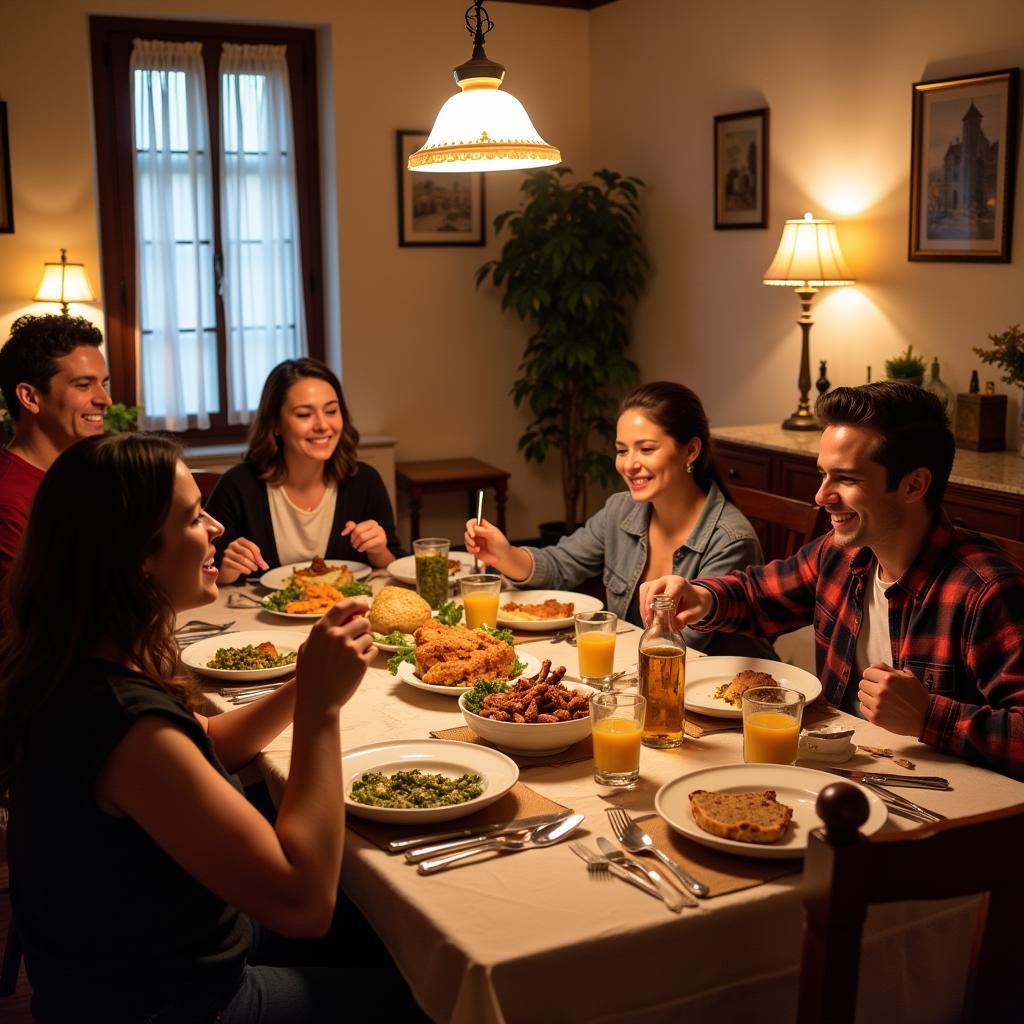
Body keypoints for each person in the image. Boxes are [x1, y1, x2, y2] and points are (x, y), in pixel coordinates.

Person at [0, 432, 424, 1023]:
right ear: (137, 554)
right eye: (195, 517)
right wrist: (321, 713)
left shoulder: (76, 665)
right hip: (177, 1002)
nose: (216, 529)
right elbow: (304, 903)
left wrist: (303, 684)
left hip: (162, 950)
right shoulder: (126, 728)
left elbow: (207, 741)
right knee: (434, 994)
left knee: (395, 922)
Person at [641, 382, 1024, 779]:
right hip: (841, 773)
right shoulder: (841, 554)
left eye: (846, 479)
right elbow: (759, 594)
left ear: (914, 485)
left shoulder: (986, 591)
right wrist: (702, 594)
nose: (822, 496)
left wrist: (929, 716)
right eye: (823, 475)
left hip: (951, 811)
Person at [465, 381, 773, 658]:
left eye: (646, 449)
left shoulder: (730, 539)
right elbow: (560, 565)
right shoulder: (621, 510)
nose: (629, 465)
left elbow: (681, 647)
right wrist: (504, 554)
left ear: (690, 450)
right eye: (622, 450)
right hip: (643, 677)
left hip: (721, 700)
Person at [207, 358, 402, 583]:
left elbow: (393, 562)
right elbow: (200, 576)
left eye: (331, 411)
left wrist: (378, 550)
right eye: (303, 415)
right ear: (275, 424)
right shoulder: (238, 485)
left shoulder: (365, 481)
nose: (322, 425)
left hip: (348, 614)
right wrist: (227, 571)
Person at [0, 313, 110, 577]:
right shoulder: (8, 504)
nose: (105, 399)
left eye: (103, 384)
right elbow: (33, 615)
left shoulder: (90, 476)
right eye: (84, 385)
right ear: (30, 397)